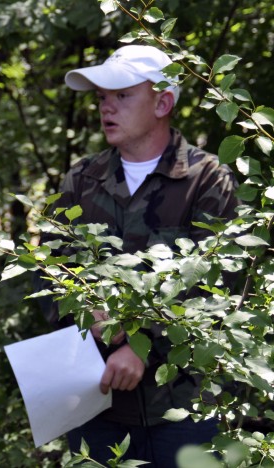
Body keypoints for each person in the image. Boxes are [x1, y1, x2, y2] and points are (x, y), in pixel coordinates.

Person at [37, 45, 238, 466]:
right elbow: (49, 270)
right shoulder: (81, 179)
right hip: (96, 401)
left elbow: (219, 285)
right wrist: (85, 315)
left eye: (122, 95)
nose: (106, 107)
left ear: (163, 102)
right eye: (101, 98)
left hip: (183, 404)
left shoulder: (206, 180)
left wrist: (143, 344)